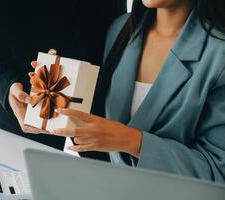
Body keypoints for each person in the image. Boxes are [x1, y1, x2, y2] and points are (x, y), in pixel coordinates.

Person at [43, 0, 225, 183]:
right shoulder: (121, 29)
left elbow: (218, 173)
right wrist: (52, 98)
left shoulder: (219, 54)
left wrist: (132, 141)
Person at [0, 0, 127, 161]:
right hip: (27, 94)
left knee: (111, 183)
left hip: (107, 88)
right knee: (23, 184)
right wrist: (5, 82)